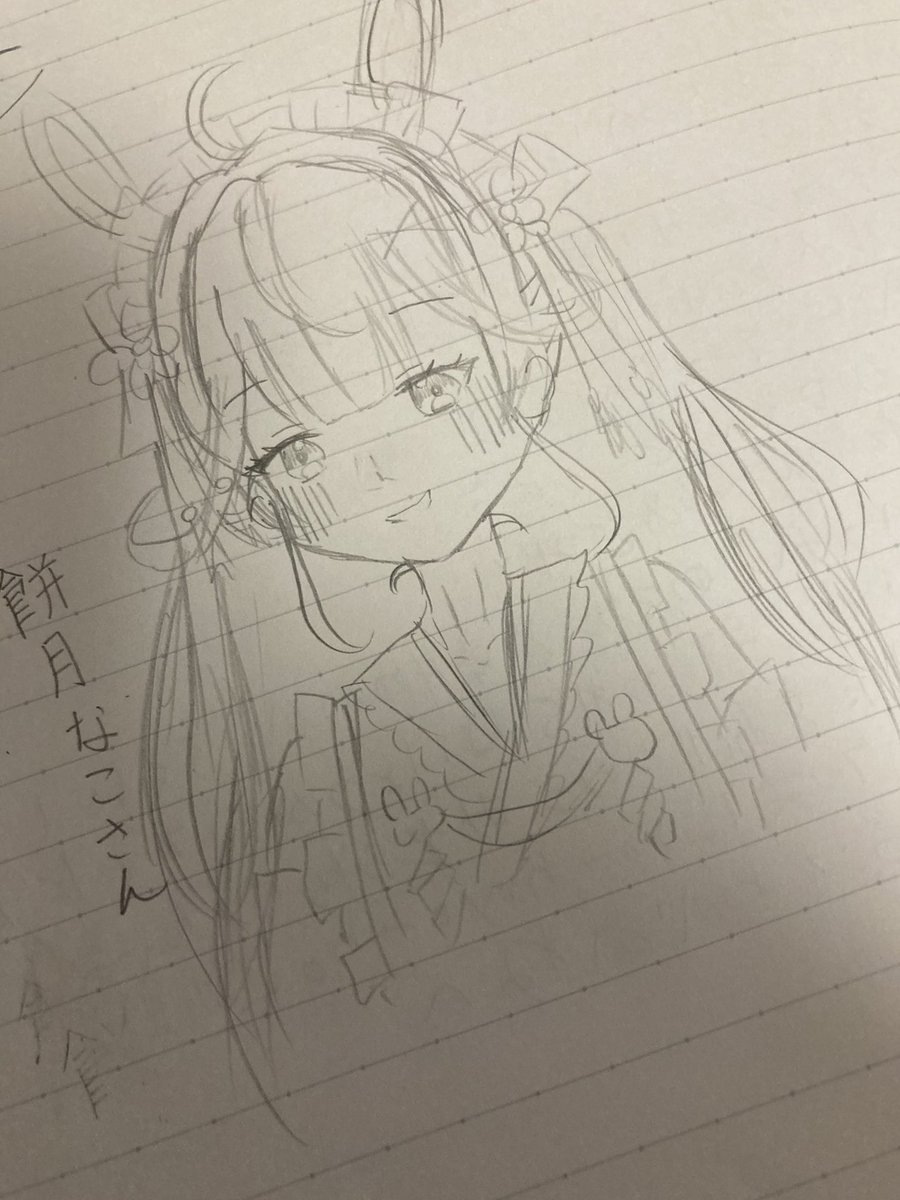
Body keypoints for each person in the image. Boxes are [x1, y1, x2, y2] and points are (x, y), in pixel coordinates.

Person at [29, 0, 899, 1130]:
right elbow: (308, 1027)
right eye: (295, 447)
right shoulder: (306, 731)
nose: (386, 469)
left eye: (431, 383)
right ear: (238, 486)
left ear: (519, 356)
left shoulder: (655, 588)